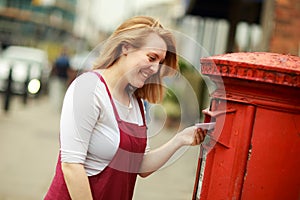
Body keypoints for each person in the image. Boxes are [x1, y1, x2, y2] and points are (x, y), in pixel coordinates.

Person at [44, 16, 207, 200]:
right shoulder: (88, 89)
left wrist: (180, 139)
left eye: (160, 63)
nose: (155, 69)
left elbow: (140, 167)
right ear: (126, 47)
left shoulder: (137, 103)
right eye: (152, 57)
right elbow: (72, 166)